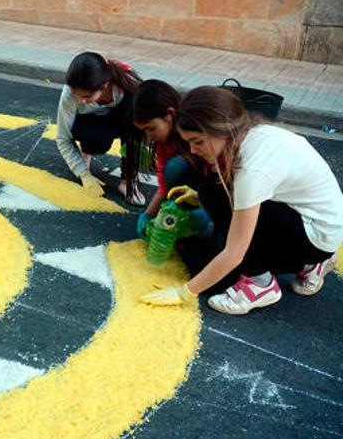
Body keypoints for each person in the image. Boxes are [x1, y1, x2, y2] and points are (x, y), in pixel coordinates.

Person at [139, 86, 343, 315]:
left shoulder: (252, 168)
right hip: (317, 223)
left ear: (220, 130)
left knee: (216, 278)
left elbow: (235, 252)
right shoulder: (248, 134)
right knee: (210, 191)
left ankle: (260, 285)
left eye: (197, 141)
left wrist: (183, 293)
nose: (193, 150)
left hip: (316, 235)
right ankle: (308, 265)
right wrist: (201, 198)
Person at [55, 51, 147, 205]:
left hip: (119, 119)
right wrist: (83, 174)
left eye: (87, 97)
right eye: (77, 95)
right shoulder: (70, 93)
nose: (80, 101)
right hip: (89, 123)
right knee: (98, 141)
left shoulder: (127, 82)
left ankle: (127, 181)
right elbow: (63, 137)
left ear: (105, 84)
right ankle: (87, 152)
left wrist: (130, 178)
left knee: (134, 127)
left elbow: (142, 128)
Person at [131, 79, 213, 238]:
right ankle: (189, 212)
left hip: (218, 190)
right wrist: (147, 215)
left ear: (170, 115)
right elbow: (164, 186)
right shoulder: (163, 144)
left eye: (151, 129)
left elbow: (222, 177)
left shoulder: (198, 131)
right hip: (196, 192)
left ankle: (206, 216)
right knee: (173, 170)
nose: (149, 136)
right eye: (145, 131)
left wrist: (208, 208)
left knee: (176, 167)